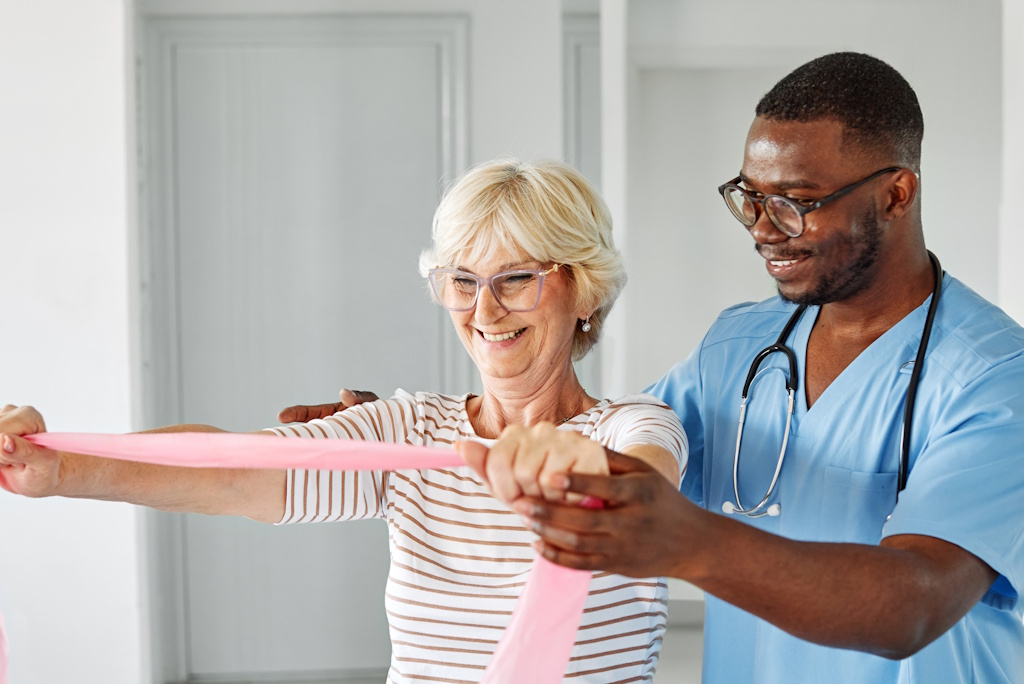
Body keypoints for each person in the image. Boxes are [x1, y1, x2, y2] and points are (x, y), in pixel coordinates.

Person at [282, 53, 1024, 683]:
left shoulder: (994, 377)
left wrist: (685, 539)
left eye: (797, 203)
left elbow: (912, 606)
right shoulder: (739, 346)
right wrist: (406, 439)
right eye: (750, 199)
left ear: (896, 193)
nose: (764, 230)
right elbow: (597, 453)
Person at [0, 159, 686, 683]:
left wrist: (571, 473)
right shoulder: (412, 430)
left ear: (583, 289)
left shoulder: (632, 426)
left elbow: (644, 492)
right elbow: (235, 470)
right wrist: (58, 469)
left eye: (515, 278)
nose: (484, 311)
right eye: (462, 280)